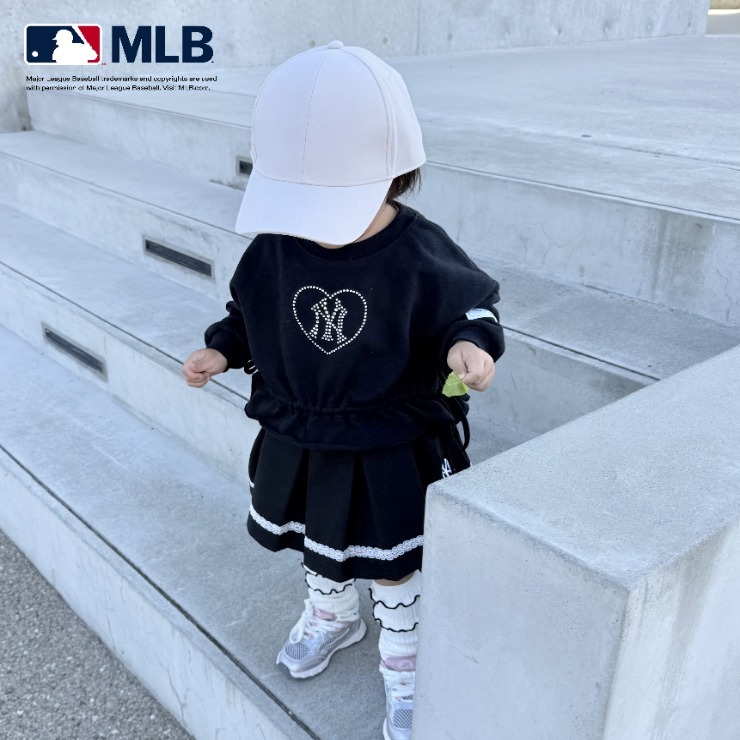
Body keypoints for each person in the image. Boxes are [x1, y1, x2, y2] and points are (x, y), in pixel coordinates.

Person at [181, 40, 505, 740]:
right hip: (301, 431)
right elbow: (249, 313)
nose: (316, 224)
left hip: (388, 438)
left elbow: (470, 308)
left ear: (394, 176)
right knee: (317, 539)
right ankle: (332, 613)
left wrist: (469, 346)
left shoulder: (419, 252)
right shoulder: (275, 246)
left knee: (392, 562)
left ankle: (406, 662)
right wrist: (222, 350)